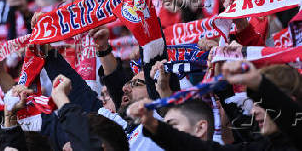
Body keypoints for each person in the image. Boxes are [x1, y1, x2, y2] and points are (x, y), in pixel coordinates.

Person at [127, 60, 302, 151]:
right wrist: (154, 126)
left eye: (260, 104)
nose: (254, 111)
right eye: (254, 103)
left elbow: (295, 122)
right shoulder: (262, 147)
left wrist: (259, 83)